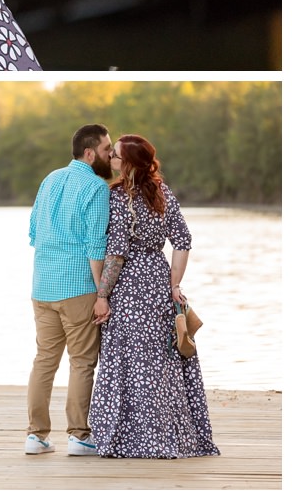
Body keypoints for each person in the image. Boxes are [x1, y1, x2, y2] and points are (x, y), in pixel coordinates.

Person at [89, 134, 219, 458]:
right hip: (158, 284)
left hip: (130, 288)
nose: (112, 161)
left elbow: (116, 254)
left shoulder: (119, 197)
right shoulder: (163, 193)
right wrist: (174, 284)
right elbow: (183, 241)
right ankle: (165, 436)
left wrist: (102, 295)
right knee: (160, 362)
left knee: (126, 360)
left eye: (117, 157)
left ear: (129, 163)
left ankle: (126, 438)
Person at [25, 124, 112, 457]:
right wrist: (101, 293)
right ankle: (79, 435)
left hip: (42, 285)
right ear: (89, 153)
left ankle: (36, 436)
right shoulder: (96, 187)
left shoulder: (50, 179)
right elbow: (95, 245)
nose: (110, 155)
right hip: (77, 287)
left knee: (44, 361)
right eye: (106, 150)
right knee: (82, 363)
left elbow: (33, 231)